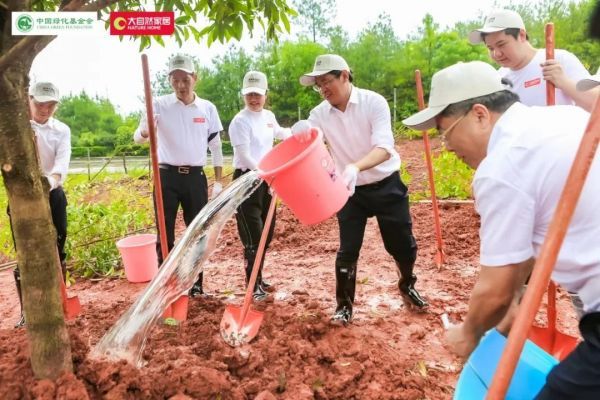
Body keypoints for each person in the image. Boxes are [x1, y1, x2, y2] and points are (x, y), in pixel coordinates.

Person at [403, 61, 600, 399]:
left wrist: (469, 333)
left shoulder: (502, 165)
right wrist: (515, 299)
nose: (446, 147)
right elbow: (525, 251)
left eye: (445, 132)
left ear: (480, 114)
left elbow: (494, 286)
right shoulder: (557, 118)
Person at [294, 54, 428, 325]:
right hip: (349, 191)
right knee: (348, 250)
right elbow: (306, 139)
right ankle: (344, 306)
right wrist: (296, 133)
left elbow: (384, 148)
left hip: (386, 184)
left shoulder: (373, 103)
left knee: (402, 244)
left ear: (344, 75)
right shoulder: (319, 114)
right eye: (318, 85)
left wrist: (355, 167)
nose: (322, 89)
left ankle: (406, 283)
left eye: (326, 81)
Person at [134, 54, 224, 297]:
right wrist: (146, 129)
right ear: (169, 80)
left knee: (198, 232)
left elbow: (216, 147)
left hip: (195, 178)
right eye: (175, 80)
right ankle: (166, 285)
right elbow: (139, 138)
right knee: (165, 232)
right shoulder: (158, 104)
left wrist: (217, 180)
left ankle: (195, 284)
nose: (181, 85)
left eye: (185, 79)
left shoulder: (207, 108)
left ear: (195, 78)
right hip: (166, 177)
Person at [10, 81, 71, 328]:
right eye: (40, 103)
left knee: (58, 247)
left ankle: (58, 304)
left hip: (52, 193)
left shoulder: (61, 130)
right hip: (22, 197)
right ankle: (28, 312)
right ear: (29, 101)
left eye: (51, 105)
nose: (45, 109)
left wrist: (47, 182)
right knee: (25, 252)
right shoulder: (18, 128)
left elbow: (61, 165)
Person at [228, 71, 291, 301]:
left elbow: (281, 133)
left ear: (266, 94)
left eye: (258, 94)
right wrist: (266, 174)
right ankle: (252, 284)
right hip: (247, 181)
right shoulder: (240, 121)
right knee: (252, 235)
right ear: (244, 95)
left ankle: (259, 277)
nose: (254, 99)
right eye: (250, 95)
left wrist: (298, 131)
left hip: (267, 180)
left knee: (267, 232)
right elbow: (244, 155)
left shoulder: (268, 116)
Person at [469, 9, 594, 111]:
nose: (496, 54)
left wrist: (563, 82)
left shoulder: (559, 59)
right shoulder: (498, 79)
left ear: (522, 35)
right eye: (490, 48)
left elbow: (595, 103)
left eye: (501, 44)